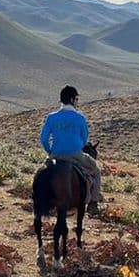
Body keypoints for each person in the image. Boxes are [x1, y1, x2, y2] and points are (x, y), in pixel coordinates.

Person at [40, 85, 102, 216]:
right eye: (77, 99)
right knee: (96, 171)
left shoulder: (51, 117)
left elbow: (44, 139)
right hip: (75, 154)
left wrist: (50, 152)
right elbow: (85, 139)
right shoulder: (79, 118)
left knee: (42, 172)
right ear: (73, 100)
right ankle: (93, 204)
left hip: (56, 154)